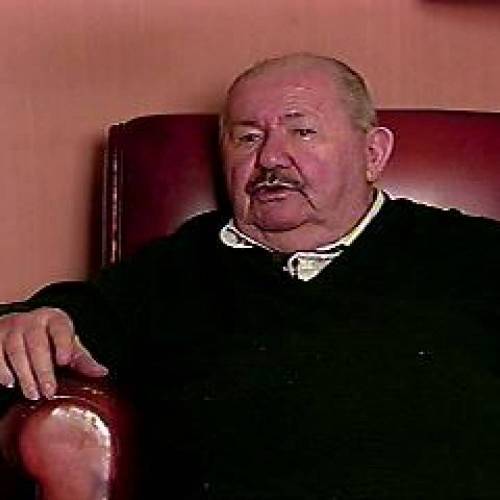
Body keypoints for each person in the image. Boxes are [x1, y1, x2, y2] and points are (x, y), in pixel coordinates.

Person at [1, 53, 500, 498]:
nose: (270, 159)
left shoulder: (471, 253)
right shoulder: (174, 270)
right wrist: (34, 321)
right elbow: (63, 320)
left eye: (301, 131)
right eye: (248, 137)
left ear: (373, 154)